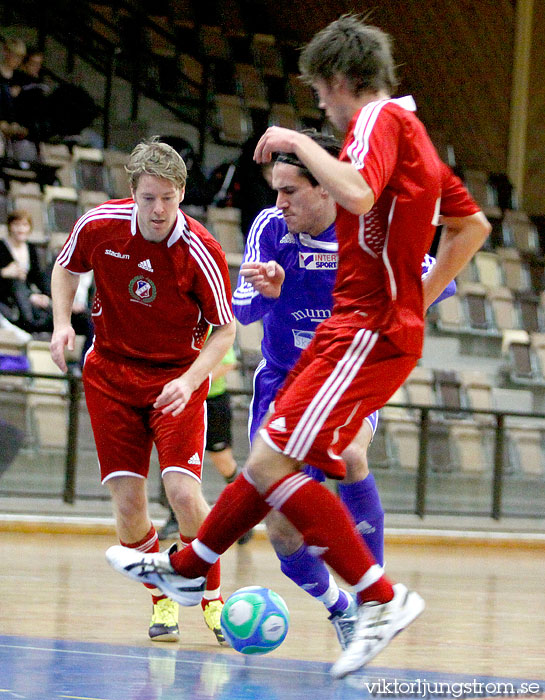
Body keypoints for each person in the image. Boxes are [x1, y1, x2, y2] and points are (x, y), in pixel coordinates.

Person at [106, 16, 491, 677]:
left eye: (319, 94)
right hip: (360, 330)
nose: (320, 107)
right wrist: (410, 302)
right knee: (264, 465)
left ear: (341, 81)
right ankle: (189, 568)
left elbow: (358, 190)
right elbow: (472, 226)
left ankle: (376, 598)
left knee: (287, 462)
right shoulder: (417, 138)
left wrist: (293, 140)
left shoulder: (375, 123)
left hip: (361, 331)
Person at [232, 128, 457, 649]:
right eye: (276, 189)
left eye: (290, 190)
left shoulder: (371, 232)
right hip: (283, 381)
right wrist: (268, 294)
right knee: (283, 532)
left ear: (327, 189)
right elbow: (242, 311)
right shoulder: (270, 228)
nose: (279, 201)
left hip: (346, 375)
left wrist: (396, 311)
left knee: (351, 451)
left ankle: (373, 601)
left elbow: (444, 277)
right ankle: (339, 608)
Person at [50, 136, 236, 645]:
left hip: (176, 379)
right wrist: (61, 322)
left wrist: (191, 380)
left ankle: (212, 597)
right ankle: (164, 601)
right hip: (109, 374)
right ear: (132, 192)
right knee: (129, 505)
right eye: (149, 197)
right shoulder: (99, 225)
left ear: (181, 195)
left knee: (182, 493)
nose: (159, 210)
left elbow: (225, 329)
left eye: (169, 199)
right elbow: (65, 267)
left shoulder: (202, 250)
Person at [158, 337, 253, 544]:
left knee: (223, 461)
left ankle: (242, 516)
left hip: (213, 401)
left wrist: (195, 380)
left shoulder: (216, 326)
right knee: (177, 461)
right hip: (184, 402)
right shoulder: (180, 325)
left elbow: (228, 362)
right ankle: (176, 518)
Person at [0, 211, 92, 355]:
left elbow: (38, 279)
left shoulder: (31, 249)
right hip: (7, 297)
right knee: (16, 282)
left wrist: (42, 296)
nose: (20, 229)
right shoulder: (1, 247)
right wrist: (4, 273)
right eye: (16, 225)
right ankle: (32, 325)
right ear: (10, 227)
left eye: (24, 225)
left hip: (27, 297)